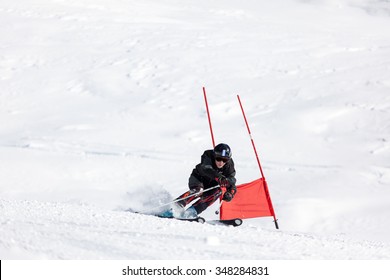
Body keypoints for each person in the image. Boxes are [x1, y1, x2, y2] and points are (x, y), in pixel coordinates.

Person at [162, 143, 237, 218]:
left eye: (224, 160)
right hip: (198, 178)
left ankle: (191, 212)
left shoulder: (229, 165)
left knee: (218, 192)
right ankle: (175, 207)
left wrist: (230, 193)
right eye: (218, 159)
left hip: (212, 184)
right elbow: (206, 169)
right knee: (199, 190)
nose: (221, 162)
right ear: (214, 156)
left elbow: (231, 181)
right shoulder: (208, 155)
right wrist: (218, 177)